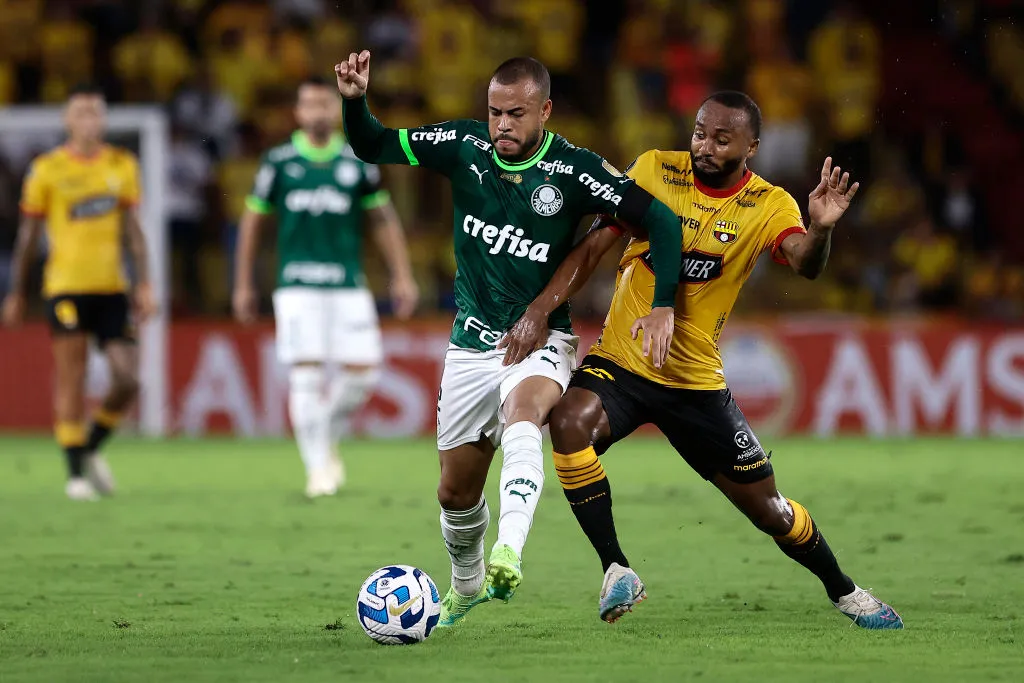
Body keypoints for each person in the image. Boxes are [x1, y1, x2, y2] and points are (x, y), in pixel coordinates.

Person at [335, 50, 683, 626]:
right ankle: (467, 587)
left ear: (545, 110)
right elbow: (373, 144)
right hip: (471, 345)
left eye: (517, 114)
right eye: (495, 112)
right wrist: (354, 102)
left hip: (544, 339)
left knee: (526, 417)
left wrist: (665, 305)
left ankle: (509, 552)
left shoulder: (576, 171)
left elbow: (663, 221)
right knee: (454, 493)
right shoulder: (462, 146)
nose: (502, 125)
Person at [532, 91, 903, 629]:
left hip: (694, 384)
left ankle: (845, 591)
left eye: (721, 139)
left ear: (752, 146)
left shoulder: (771, 204)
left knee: (769, 510)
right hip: (622, 364)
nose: (704, 146)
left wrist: (821, 228)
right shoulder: (654, 169)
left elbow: (806, 265)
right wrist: (543, 308)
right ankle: (616, 568)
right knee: (566, 423)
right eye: (700, 133)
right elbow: (594, 246)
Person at [232, 76, 419, 498]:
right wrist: (243, 283)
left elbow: (383, 220)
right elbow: (252, 223)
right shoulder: (278, 163)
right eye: (309, 105)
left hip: (348, 285)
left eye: (323, 104)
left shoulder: (357, 162)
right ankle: (318, 468)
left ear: (333, 111)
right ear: (298, 113)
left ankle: (323, 437)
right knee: (306, 373)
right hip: (296, 286)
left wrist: (402, 274)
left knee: (364, 374)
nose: (316, 111)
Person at [1, 84, 155, 501]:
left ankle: (88, 447)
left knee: (128, 379)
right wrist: (17, 292)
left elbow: (134, 233)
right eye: (82, 113)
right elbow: (28, 238)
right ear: (67, 120)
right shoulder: (46, 170)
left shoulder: (121, 165)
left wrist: (144, 283)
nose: (90, 120)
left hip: (112, 288)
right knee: (73, 374)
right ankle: (74, 476)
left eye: (96, 113)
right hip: (65, 288)